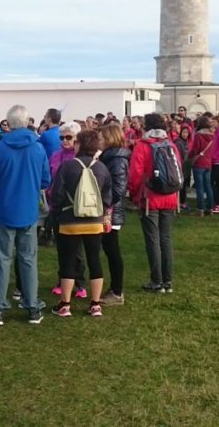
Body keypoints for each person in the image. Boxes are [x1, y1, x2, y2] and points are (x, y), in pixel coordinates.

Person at [0, 105, 51, 326]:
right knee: (28, 259)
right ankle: (32, 307)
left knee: (2, 260)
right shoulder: (38, 149)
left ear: (8, 124)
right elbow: (46, 180)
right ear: (27, 121)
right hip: (28, 210)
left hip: (4, 209)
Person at [48, 129, 112, 318]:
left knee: (67, 261)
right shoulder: (102, 168)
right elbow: (108, 197)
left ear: (79, 145)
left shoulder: (67, 166)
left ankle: (65, 304)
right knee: (94, 260)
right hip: (94, 222)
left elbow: (56, 194)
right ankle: (95, 304)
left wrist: (56, 212)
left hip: (69, 221)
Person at [127, 112, 182, 294]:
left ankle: (156, 280)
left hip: (150, 197)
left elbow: (135, 174)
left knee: (153, 240)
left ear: (146, 127)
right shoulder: (171, 145)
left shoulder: (143, 146)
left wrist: (134, 195)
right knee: (166, 239)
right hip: (169, 197)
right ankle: (168, 280)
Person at [98, 123, 129, 306]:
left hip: (110, 211)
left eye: (102, 138)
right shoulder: (109, 157)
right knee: (109, 250)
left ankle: (117, 291)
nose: (99, 141)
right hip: (108, 209)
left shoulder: (116, 160)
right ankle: (115, 288)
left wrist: (104, 204)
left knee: (112, 251)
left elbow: (119, 188)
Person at [189, 116, 215, 217]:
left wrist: (190, 157)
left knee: (199, 187)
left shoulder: (198, 135)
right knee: (208, 186)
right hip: (208, 163)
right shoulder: (212, 136)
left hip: (199, 163)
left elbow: (195, 150)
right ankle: (210, 208)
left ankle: (200, 209)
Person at [174, 125, 192, 212]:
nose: (185, 134)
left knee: (183, 186)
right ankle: (180, 202)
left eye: (187, 133)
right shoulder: (178, 142)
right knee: (181, 186)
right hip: (180, 166)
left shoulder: (187, 142)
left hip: (186, 167)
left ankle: (182, 201)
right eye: (184, 132)